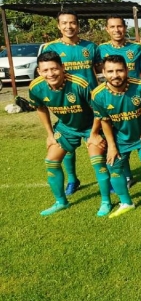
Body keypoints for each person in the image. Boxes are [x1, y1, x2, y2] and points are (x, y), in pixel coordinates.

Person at [28, 51, 112, 216]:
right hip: (66, 128)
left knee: (97, 162)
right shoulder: (36, 87)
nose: (50, 74)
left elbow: (99, 110)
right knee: (51, 161)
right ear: (39, 71)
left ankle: (106, 202)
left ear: (63, 67)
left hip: (90, 126)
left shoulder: (80, 84)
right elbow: (41, 108)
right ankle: (61, 202)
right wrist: (50, 134)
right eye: (45, 70)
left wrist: (94, 134)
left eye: (54, 69)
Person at [40, 10, 102, 197]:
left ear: (78, 24)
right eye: (64, 23)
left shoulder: (90, 47)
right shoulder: (51, 48)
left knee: (99, 142)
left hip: (91, 104)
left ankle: (110, 181)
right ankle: (73, 179)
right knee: (67, 144)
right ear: (58, 26)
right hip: (67, 104)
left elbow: (100, 70)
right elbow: (46, 75)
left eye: (72, 22)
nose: (69, 26)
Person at [91, 55, 141, 218]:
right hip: (120, 138)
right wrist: (112, 146)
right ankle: (126, 202)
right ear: (104, 72)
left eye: (120, 70)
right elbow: (105, 122)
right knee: (114, 168)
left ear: (127, 70)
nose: (115, 75)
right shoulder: (98, 94)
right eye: (111, 71)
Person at [98, 15, 141, 188]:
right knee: (118, 137)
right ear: (107, 29)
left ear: (125, 28)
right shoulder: (100, 49)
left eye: (120, 26)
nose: (116, 30)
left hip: (136, 98)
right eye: (112, 27)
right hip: (112, 99)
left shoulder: (138, 48)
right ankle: (126, 176)